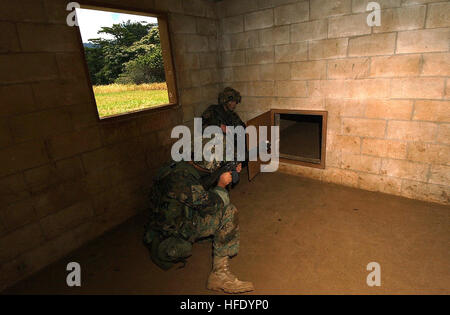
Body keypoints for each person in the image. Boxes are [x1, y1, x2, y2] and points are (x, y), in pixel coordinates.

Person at [143, 146, 254, 294]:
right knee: (229, 212)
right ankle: (219, 276)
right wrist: (221, 185)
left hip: (167, 219)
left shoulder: (180, 164)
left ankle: (202, 236)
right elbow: (211, 206)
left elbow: (200, 185)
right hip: (171, 235)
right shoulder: (182, 182)